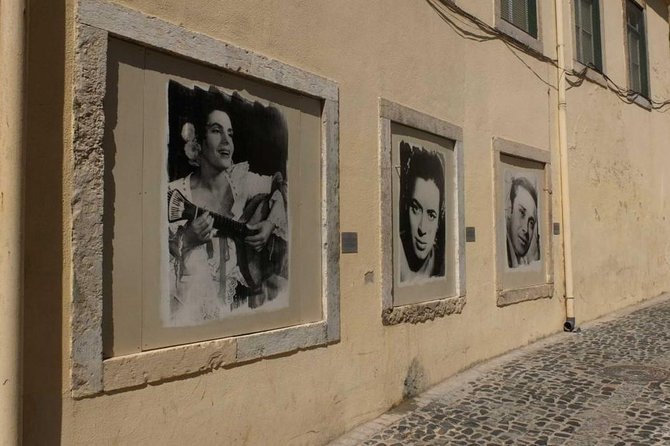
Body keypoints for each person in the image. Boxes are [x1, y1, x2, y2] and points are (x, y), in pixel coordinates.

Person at [167, 89, 288, 326]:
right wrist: (187, 240)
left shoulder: (244, 183)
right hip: (188, 321)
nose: (226, 141)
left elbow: (283, 189)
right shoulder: (175, 195)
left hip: (242, 316)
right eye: (216, 131)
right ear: (197, 143)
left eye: (230, 134)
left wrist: (269, 223)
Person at [398, 142, 445, 282]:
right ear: (406, 207)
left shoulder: (441, 264)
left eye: (431, 215)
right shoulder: (398, 254)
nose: (422, 228)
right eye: (416, 209)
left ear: (439, 220)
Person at [506, 176, 540, 268]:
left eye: (531, 223)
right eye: (522, 212)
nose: (526, 229)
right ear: (510, 209)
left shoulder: (521, 263)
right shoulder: (505, 257)